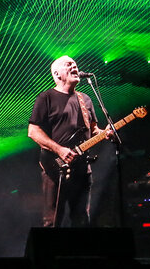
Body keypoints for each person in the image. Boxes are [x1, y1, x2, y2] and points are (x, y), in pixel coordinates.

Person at [28, 55, 108, 227]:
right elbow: (33, 131)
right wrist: (59, 150)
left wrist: (105, 133)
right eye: (68, 64)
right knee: (52, 221)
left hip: (82, 169)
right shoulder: (46, 98)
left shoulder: (85, 99)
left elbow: (93, 129)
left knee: (81, 219)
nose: (74, 66)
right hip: (55, 167)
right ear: (57, 74)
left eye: (75, 64)